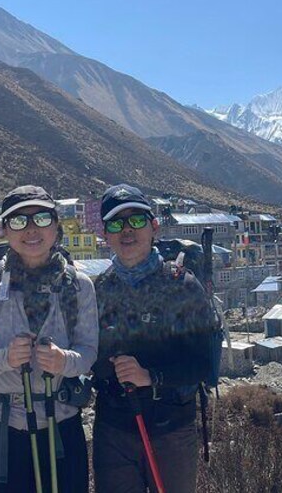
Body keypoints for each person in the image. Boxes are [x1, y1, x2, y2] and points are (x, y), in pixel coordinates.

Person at [0, 185, 98, 493]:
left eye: (41, 219)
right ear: (4, 230)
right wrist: (3, 358)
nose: (31, 229)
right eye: (18, 221)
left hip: (61, 426)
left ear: (57, 224)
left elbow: (88, 350)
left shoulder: (79, 286)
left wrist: (64, 361)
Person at [92, 184, 218, 493]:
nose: (127, 231)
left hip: (171, 430)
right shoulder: (99, 289)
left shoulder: (183, 286)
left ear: (154, 227)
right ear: (105, 234)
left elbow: (205, 365)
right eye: (116, 223)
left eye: (136, 220)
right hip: (113, 430)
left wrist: (152, 376)